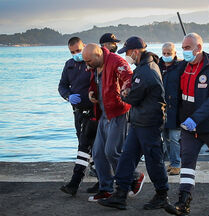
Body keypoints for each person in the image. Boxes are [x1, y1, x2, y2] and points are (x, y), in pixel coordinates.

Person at [164, 33, 209, 216]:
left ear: (198, 48)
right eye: (182, 48)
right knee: (187, 162)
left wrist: (195, 119)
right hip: (189, 129)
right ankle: (184, 202)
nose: (184, 51)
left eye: (187, 48)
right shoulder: (182, 67)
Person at [97, 36, 169, 210]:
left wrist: (123, 94)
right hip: (139, 121)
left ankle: (162, 195)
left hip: (148, 123)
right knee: (127, 158)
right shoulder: (145, 67)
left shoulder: (146, 71)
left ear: (136, 52)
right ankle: (120, 193)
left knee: (153, 160)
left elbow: (134, 97)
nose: (126, 56)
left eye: (128, 52)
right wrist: (129, 92)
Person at [82, 43, 145, 202]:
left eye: (88, 61)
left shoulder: (117, 61)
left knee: (112, 151)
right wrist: (91, 91)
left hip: (118, 112)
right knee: (97, 153)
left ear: (97, 55)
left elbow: (129, 78)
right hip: (104, 113)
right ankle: (106, 189)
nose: (86, 64)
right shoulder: (95, 64)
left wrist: (125, 89)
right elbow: (94, 81)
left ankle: (134, 177)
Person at [58, 37, 98, 196]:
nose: (76, 54)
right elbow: (62, 85)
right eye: (72, 52)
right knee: (87, 146)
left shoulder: (93, 64)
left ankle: (75, 182)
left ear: (85, 47)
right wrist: (68, 96)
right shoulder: (69, 65)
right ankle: (102, 180)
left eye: (78, 51)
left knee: (85, 146)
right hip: (78, 112)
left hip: (93, 111)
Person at [158, 42, 183, 175]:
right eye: (164, 53)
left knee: (174, 137)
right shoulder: (157, 66)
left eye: (169, 53)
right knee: (165, 137)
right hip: (161, 108)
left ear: (174, 53)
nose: (166, 56)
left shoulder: (180, 67)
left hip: (175, 108)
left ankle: (176, 163)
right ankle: (172, 162)